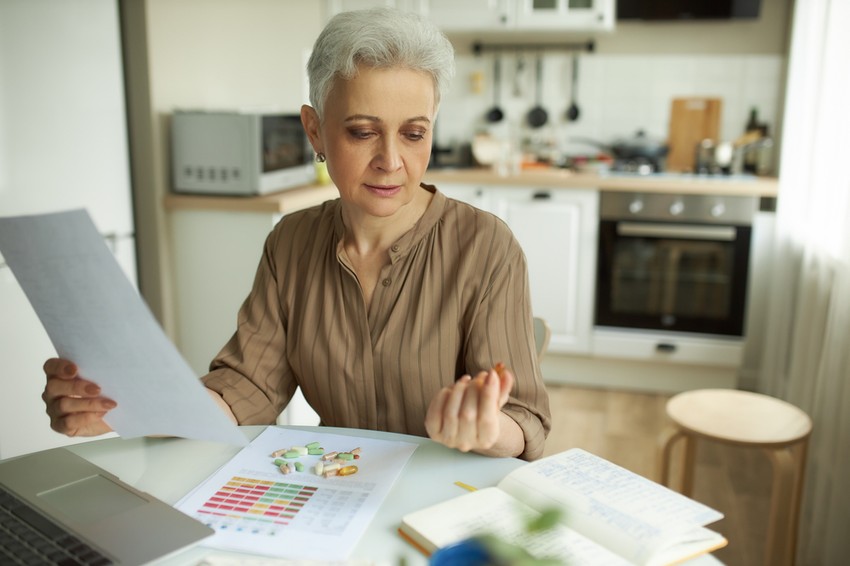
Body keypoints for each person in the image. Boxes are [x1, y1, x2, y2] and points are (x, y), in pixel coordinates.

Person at [41, 7, 551, 461]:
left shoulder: (486, 247)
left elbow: (526, 421)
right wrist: (127, 409)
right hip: (337, 489)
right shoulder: (290, 243)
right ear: (315, 131)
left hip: (446, 504)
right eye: (362, 131)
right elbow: (249, 387)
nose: (392, 161)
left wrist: (486, 429)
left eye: (414, 134)